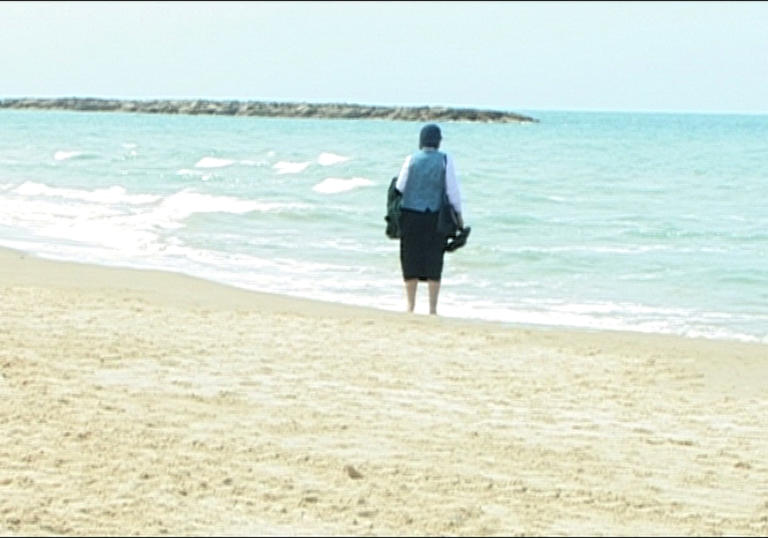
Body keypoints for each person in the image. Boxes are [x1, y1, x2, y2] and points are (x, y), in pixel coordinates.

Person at [395, 123, 464, 315]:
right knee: (434, 258)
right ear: (438, 141)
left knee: (410, 257)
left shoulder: (411, 159)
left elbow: (400, 187)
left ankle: (410, 306)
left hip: (410, 214)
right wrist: (459, 216)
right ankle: (432, 308)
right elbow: (452, 191)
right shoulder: (445, 160)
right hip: (435, 216)